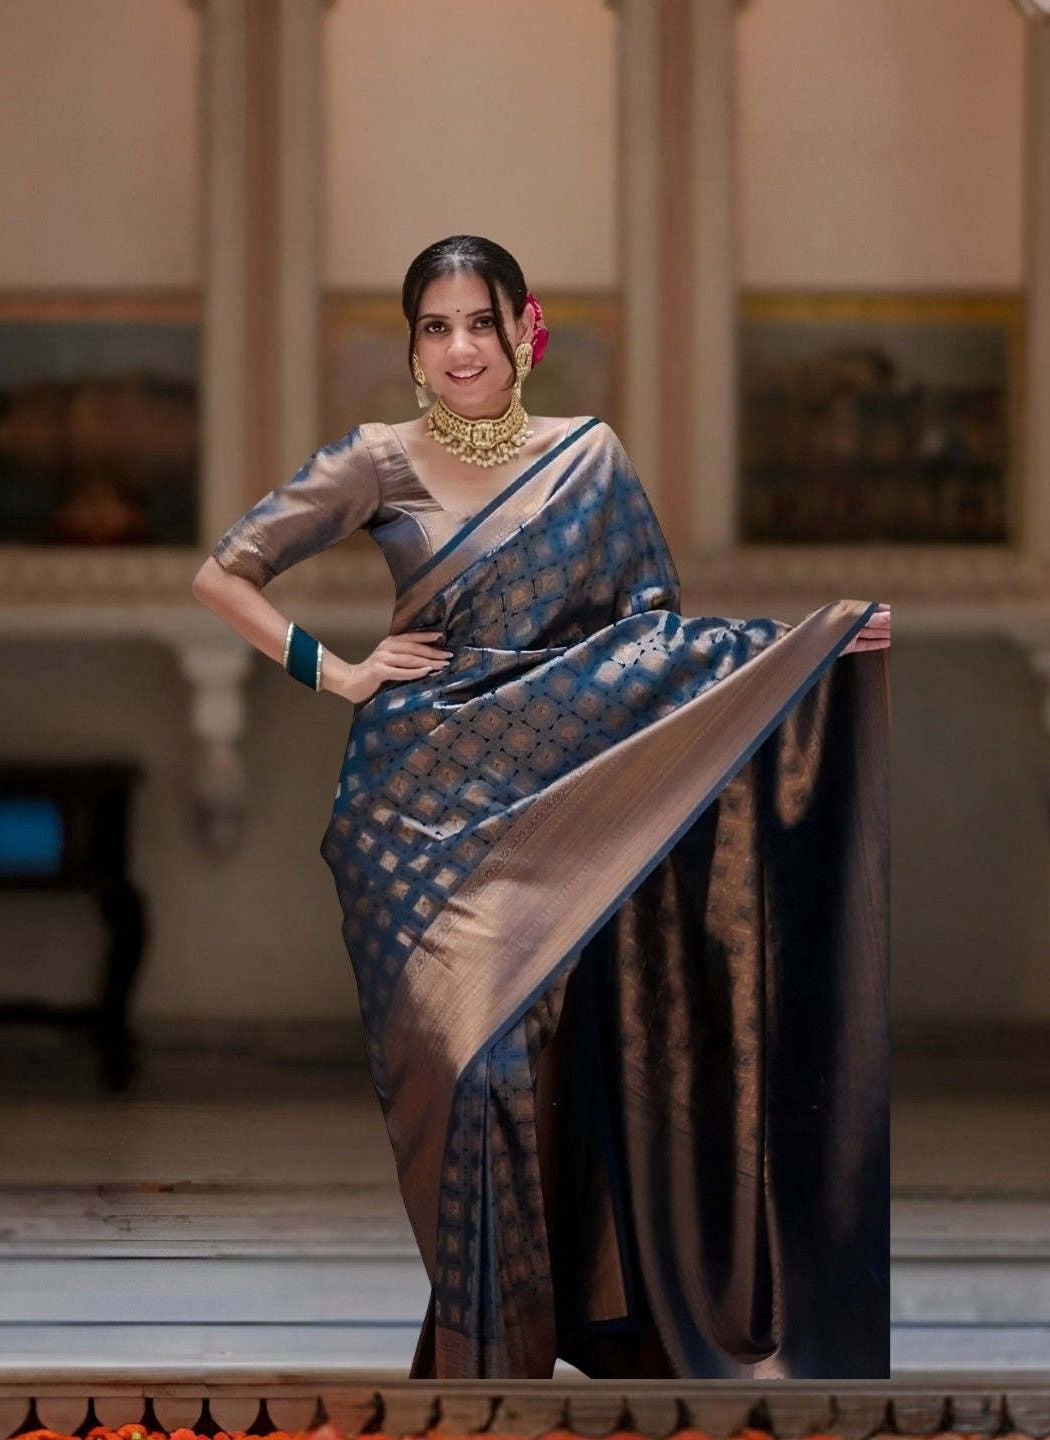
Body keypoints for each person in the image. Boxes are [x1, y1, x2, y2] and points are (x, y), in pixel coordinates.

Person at [192, 234, 892, 1382]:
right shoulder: (377, 459)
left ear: (527, 329)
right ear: (413, 348)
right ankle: (490, 1358)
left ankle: (507, 1361)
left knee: (530, 1073)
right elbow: (224, 572)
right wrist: (339, 671)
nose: (461, 348)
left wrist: (802, 648)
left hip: (563, 808)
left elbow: (648, 646)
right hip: (412, 818)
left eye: (482, 321)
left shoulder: (589, 459)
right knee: (460, 1073)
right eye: (436, 327)